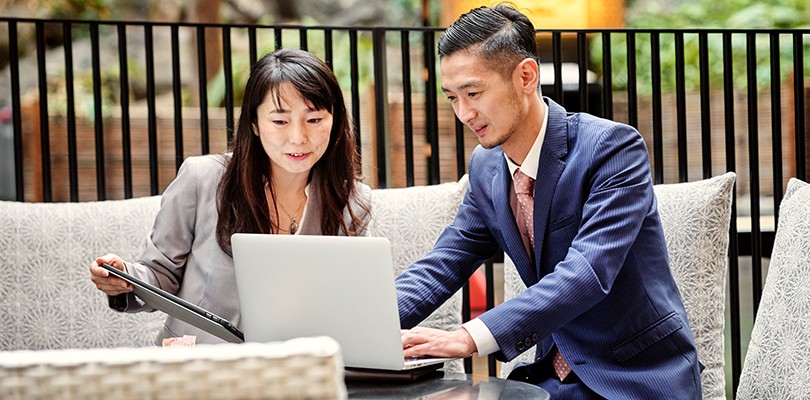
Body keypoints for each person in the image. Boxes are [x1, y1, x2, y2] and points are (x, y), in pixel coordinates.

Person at [396, 5, 702, 399]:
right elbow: (444, 263)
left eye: (474, 93)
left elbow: (586, 273)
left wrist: (468, 337)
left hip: (636, 377)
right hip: (546, 380)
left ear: (526, 76)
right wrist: (359, 326)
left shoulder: (611, 149)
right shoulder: (487, 166)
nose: (464, 113)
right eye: (452, 98)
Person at [89, 48, 371, 345]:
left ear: (334, 121)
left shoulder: (351, 201)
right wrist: (124, 278)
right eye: (280, 121)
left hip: (293, 370)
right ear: (254, 124)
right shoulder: (203, 179)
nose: (298, 137)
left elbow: (351, 306)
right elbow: (160, 274)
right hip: (199, 365)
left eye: (314, 120)